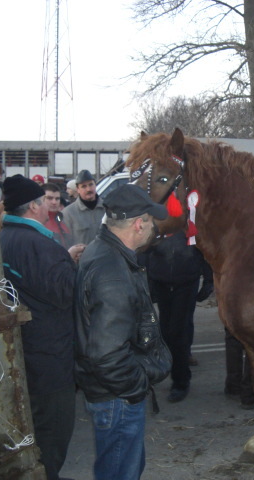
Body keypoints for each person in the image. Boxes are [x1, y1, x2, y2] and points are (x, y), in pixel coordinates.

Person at [74, 184, 170, 480]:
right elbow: (106, 354)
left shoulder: (104, 251)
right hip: (117, 398)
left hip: (111, 394)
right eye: (151, 221)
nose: (153, 227)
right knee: (120, 472)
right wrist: (136, 386)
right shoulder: (112, 271)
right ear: (139, 223)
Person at [0, 175, 83, 480]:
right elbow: (64, 294)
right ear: (34, 206)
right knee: (54, 429)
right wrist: (71, 265)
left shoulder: (6, 236)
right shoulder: (38, 244)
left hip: (28, 348)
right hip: (50, 352)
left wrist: (64, 260)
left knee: (36, 423)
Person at [140, 230, 204, 403]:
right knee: (164, 331)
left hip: (186, 281)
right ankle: (164, 369)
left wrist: (208, 281)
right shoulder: (158, 221)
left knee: (178, 331)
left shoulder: (189, 220)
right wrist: (146, 280)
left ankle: (180, 381)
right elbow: (144, 250)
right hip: (161, 280)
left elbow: (203, 247)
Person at [62, 169, 105, 246]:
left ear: (95, 185)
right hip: (82, 257)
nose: (88, 189)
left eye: (91, 184)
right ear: (78, 189)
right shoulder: (68, 214)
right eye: (84, 186)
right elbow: (65, 243)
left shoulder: (107, 209)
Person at [42, 182, 76, 249]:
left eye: (57, 199)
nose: (54, 202)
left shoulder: (64, 219)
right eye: (49, 198)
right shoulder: (37, 222)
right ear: (41, 199)